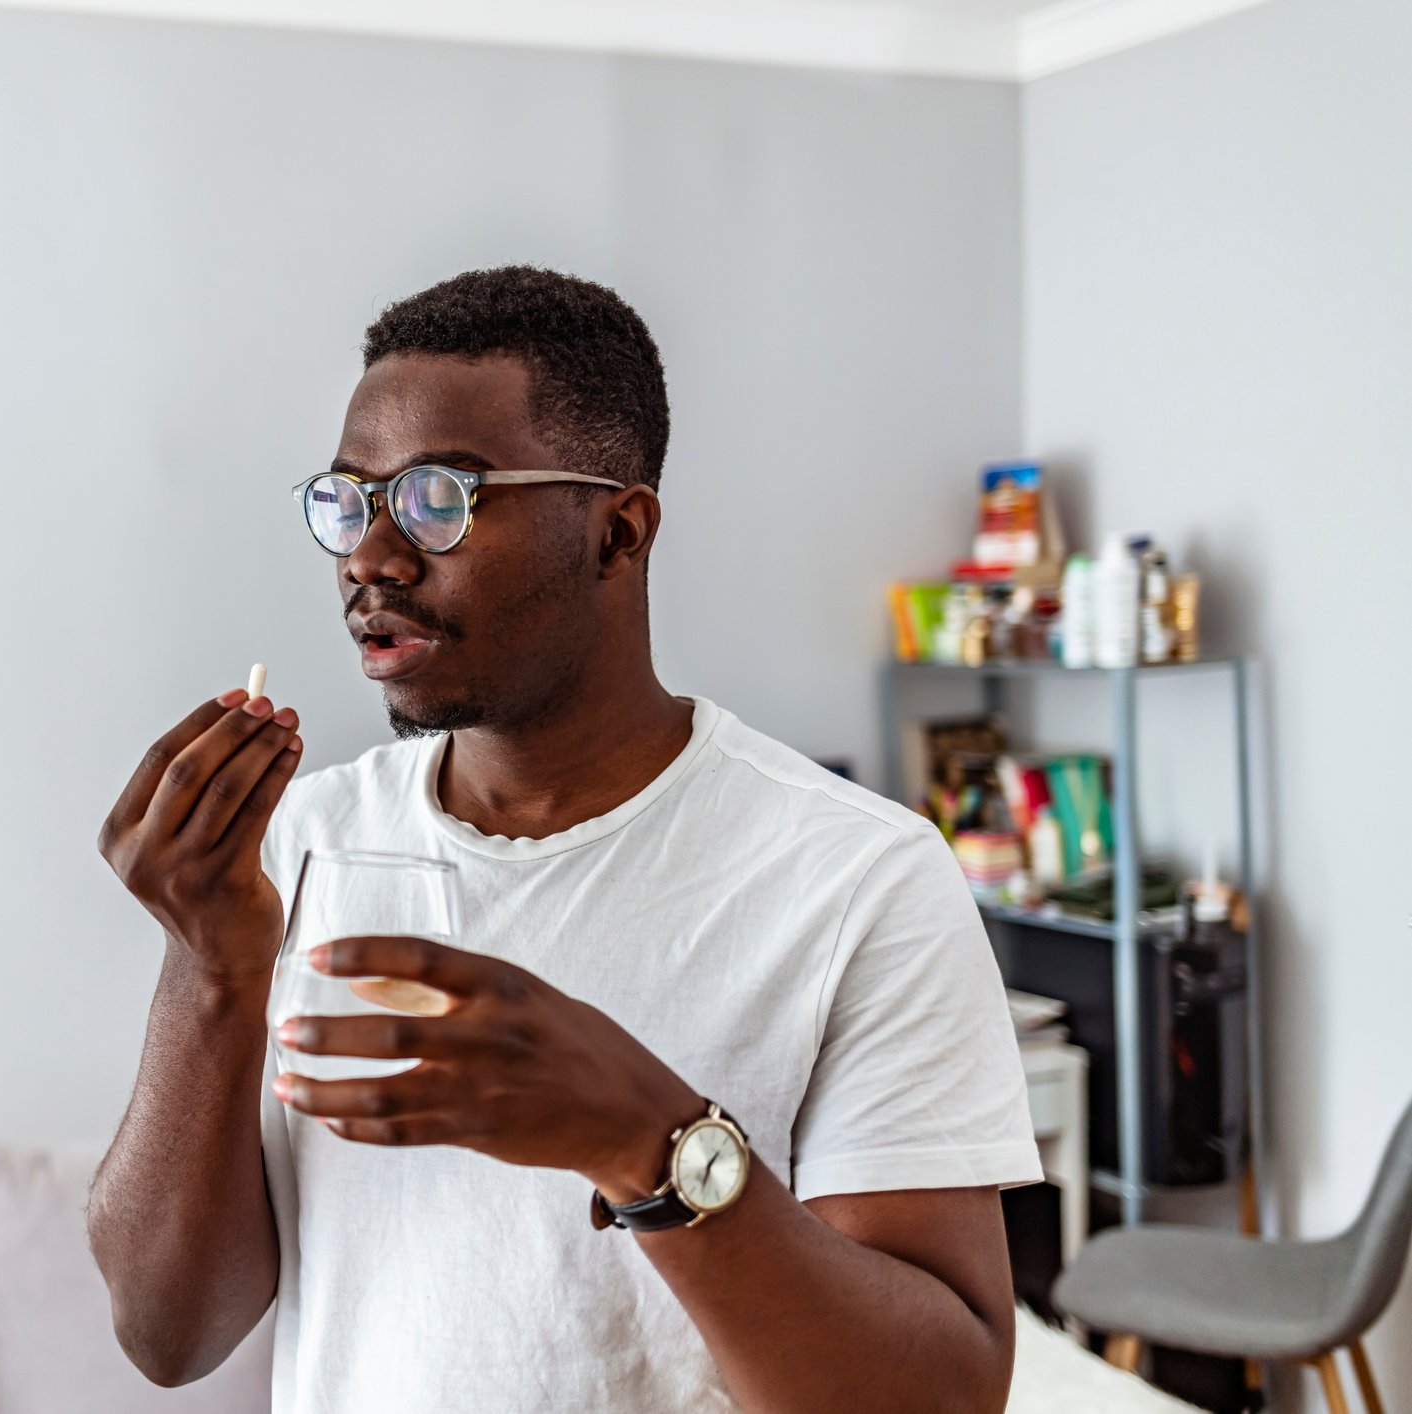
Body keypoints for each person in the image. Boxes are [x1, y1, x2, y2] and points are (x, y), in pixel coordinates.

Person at [90, 266, 1040, 1414]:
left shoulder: (857, 878)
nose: (371, 559)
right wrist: (210, 967)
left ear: (617, 531)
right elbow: (168, 1334)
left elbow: (940, 1398)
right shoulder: (300, 848)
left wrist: (647, 1136)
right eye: (350, 502)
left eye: (438, 500)